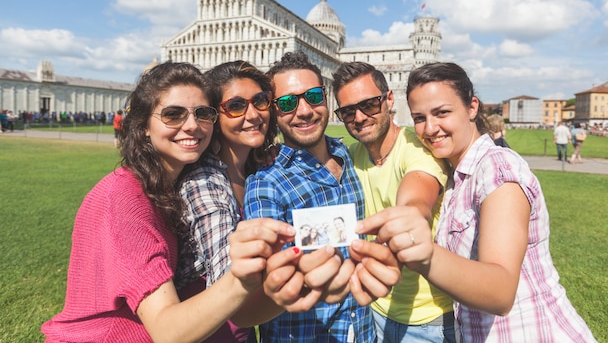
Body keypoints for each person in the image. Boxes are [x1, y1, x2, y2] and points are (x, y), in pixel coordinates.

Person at [42, 61, 296, 343]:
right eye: (173, 115)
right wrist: (245, 279)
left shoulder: (164, 188)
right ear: (144, 127)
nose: (191, 126)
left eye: (202, 113)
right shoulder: (124, 197)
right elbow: (167, 332)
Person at [356, 62, 598, 342]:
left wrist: (425, 255)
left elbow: (501, 291)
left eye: (442, 112)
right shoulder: (455, 175)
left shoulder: (497, 169)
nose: (430, 128)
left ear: (472, 107)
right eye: (419, 118)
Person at [244, 51, 400, 343]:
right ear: (274, 113)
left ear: (326, 99)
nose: (304, 111)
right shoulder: (266, 184)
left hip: (365, 333)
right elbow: (264, 286)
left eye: (313, 96)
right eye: (288, 103)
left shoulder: (350, 155)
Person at [332, 61, 454, 343]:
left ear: (389, 100)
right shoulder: (351, 156)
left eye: (370, 105)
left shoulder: (416, 149)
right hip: (372, 311)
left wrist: (410, 217)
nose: (359, 117)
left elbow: (416, 201)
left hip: (427, 320)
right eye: (348, 111)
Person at [174, 60, 280, 342]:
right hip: (210, 331)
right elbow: (230, 281)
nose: (253, 114)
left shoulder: (256, 168)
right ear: (214, 118)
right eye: (235, 106)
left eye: (260, 101)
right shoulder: (204, 182)